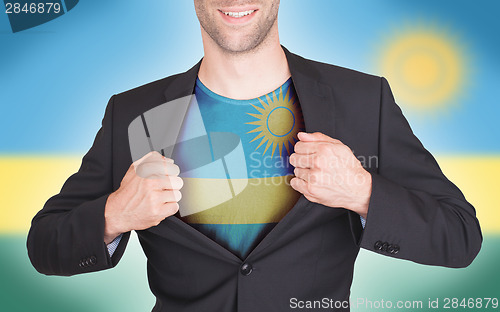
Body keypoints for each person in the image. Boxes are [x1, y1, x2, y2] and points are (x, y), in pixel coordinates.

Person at [27, 1, 482, 311]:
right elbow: (44, 245)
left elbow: (460, 237)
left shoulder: (363, 100)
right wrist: (114, 214)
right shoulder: (134, 113)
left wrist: (363, 192)